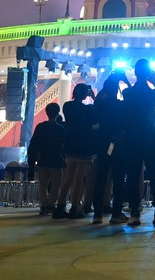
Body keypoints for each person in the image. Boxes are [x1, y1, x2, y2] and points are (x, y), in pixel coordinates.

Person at [120, 59, 155, 226]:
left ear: (135, 72)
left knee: (133, 176)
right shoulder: (151, 93)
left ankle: (134, 212)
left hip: (133, 139)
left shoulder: (128, 92)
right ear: (148, 73)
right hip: (151, 138)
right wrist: (153, 81)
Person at [56, 83, 96, 219]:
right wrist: (94, 99)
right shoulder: (87, 109)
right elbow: (95, 117)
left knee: (68, 179)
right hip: (83, 147)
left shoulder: (67, 106)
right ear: (85, 94)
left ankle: (60, 206)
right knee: (79, 179)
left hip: (70, 145)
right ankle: (75, 207)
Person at [91, 73, 127, 224]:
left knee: (100, 179)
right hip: (117, 145)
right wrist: (126, 82)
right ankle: (116, 213)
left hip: (102, 144)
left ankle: (97, 214)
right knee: (118, 180)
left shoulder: (100, 105)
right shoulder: (120, 106)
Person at [28, 102, 66, 216]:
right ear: (57, 113)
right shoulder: (60, 129)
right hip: (56, 161)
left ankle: (43, 205)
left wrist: (32, 161)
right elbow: (63, 146)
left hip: (42, 160)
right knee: (56, 185)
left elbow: (33, 144)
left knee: (43, 185)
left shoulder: (40, 127)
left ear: (46, 112)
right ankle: (51, 205)